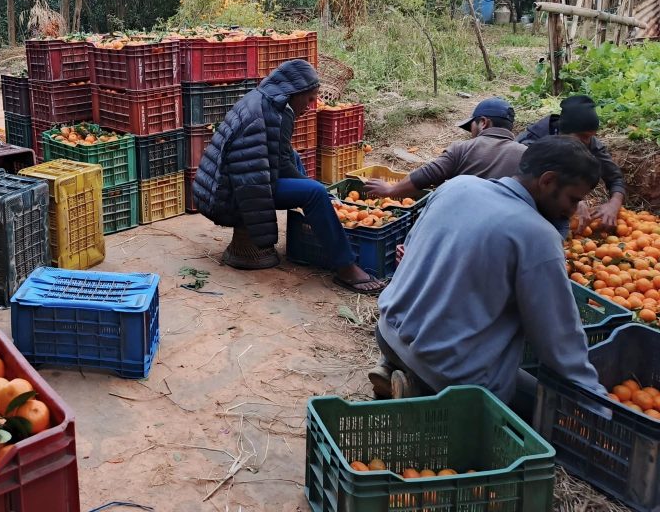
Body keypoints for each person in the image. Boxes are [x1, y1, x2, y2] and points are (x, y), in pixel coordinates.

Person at [372, 136, 605, 404]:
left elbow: (409, 250)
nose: (573, 211)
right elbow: (559, 342)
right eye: (573, 199)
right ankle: (425, 392)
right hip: (446, 371)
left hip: (388, 334)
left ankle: (400, 374)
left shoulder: (457, 186)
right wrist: (597, 403)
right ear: (548, 181)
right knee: (544, 403)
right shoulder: (538, 235)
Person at [192, 59, 385, 294]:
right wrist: (317, 191)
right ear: (294, 92)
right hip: (227, 195)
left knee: (296, 160)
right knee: (315, 193)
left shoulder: (264, 100)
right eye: (310, 98)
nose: (311, 105)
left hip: (222, 184)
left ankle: (314, 222)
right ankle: (345, 268)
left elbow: (280, 157)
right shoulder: (274, 114)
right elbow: (276, 169)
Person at [364, 97, 526, 201]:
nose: (471, 133)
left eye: (471, 126)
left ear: (483, 122)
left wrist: (391, 190)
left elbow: (427, 175)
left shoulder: (463, 149)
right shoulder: (527, 155)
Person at [517, 94, 625, 230]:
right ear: (563, 132)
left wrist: (614, 204)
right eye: (583, 136)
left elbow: (615, 178)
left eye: (591, 137)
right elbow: (523, 184)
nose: (587, 142)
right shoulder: (528, 145)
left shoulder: (589, 143)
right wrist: (573, 201)